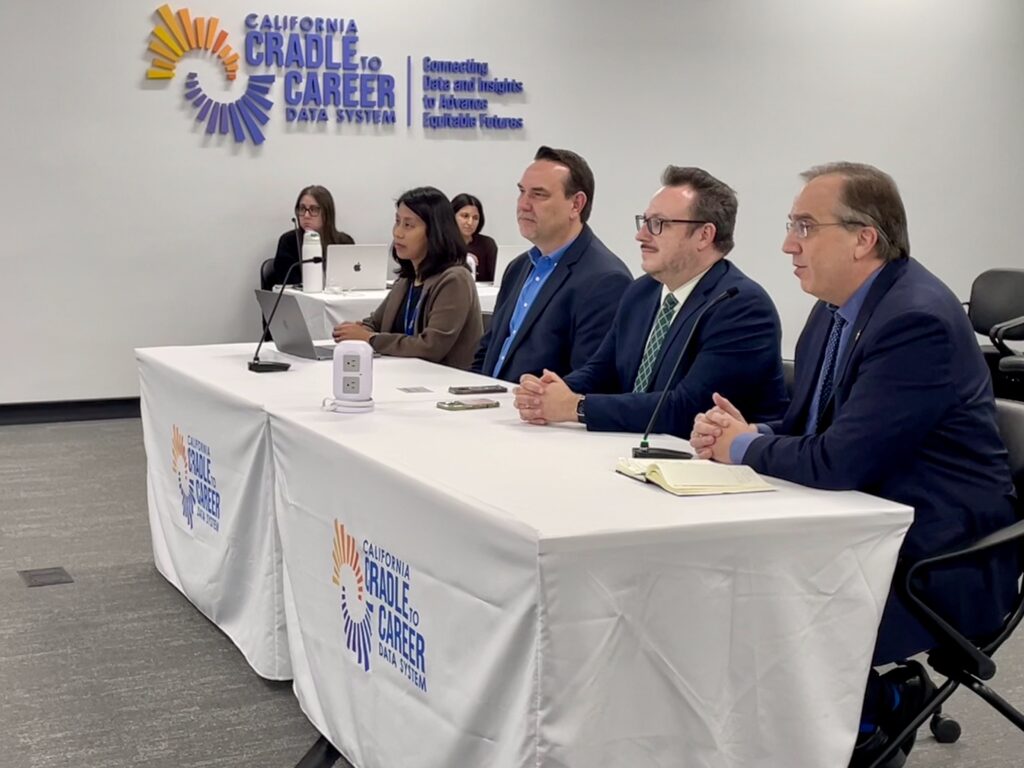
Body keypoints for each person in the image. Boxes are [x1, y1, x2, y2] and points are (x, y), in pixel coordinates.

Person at [690, 162, 1019, 767]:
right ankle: (862, 708)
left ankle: (870, 715)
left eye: (804, 226)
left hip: (939, 555)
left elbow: (837, 460)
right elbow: (815, 430)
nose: (788, 244)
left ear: (864, 238)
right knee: (716, 583)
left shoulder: (915, 320)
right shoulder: (833, 308)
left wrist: (739, 447)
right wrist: (749, 432)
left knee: (750, 604)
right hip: (864, 520)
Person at [513, 166, 787, 434]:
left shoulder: (740, 307)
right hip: (636, 446)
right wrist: (549, 391)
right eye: (644, 222)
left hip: (705, 457)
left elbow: (688, 409)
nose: (641, 235)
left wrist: (576, 407)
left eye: (658, 224)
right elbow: (602, 370)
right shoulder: (642, 292)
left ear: (704, 235)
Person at [473, 146, 631, 382]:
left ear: (576, 204)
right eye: (522, 192)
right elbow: (487, 351)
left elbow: (591, 380)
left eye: (538, 195)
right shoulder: (518, 268)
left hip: (536, 404)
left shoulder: (605, 280)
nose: (523, 204)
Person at [332, 187, 482, 370]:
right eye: (397, 222)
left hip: (443, 380)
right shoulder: (408, 279)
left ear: (434, 231)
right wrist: (355, 331)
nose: (398, 233)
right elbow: (374, 323)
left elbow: (430, 347)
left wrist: (370, 339)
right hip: (404, 374)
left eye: (408, 225)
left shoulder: (455, 279)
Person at [272, 185, 354, 286]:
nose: (306, 215)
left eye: (314, 209)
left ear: (327, 213)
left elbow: (352, 281)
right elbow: (288, 284)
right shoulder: (289, 242)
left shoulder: (344, 242)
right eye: (302, 209)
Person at [451, 193, 498, 282]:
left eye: (475, 218)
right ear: (452, 216)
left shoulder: (487, 244)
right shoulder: (442, 244)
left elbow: (495, 280)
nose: (470, 222)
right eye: (465, 216)